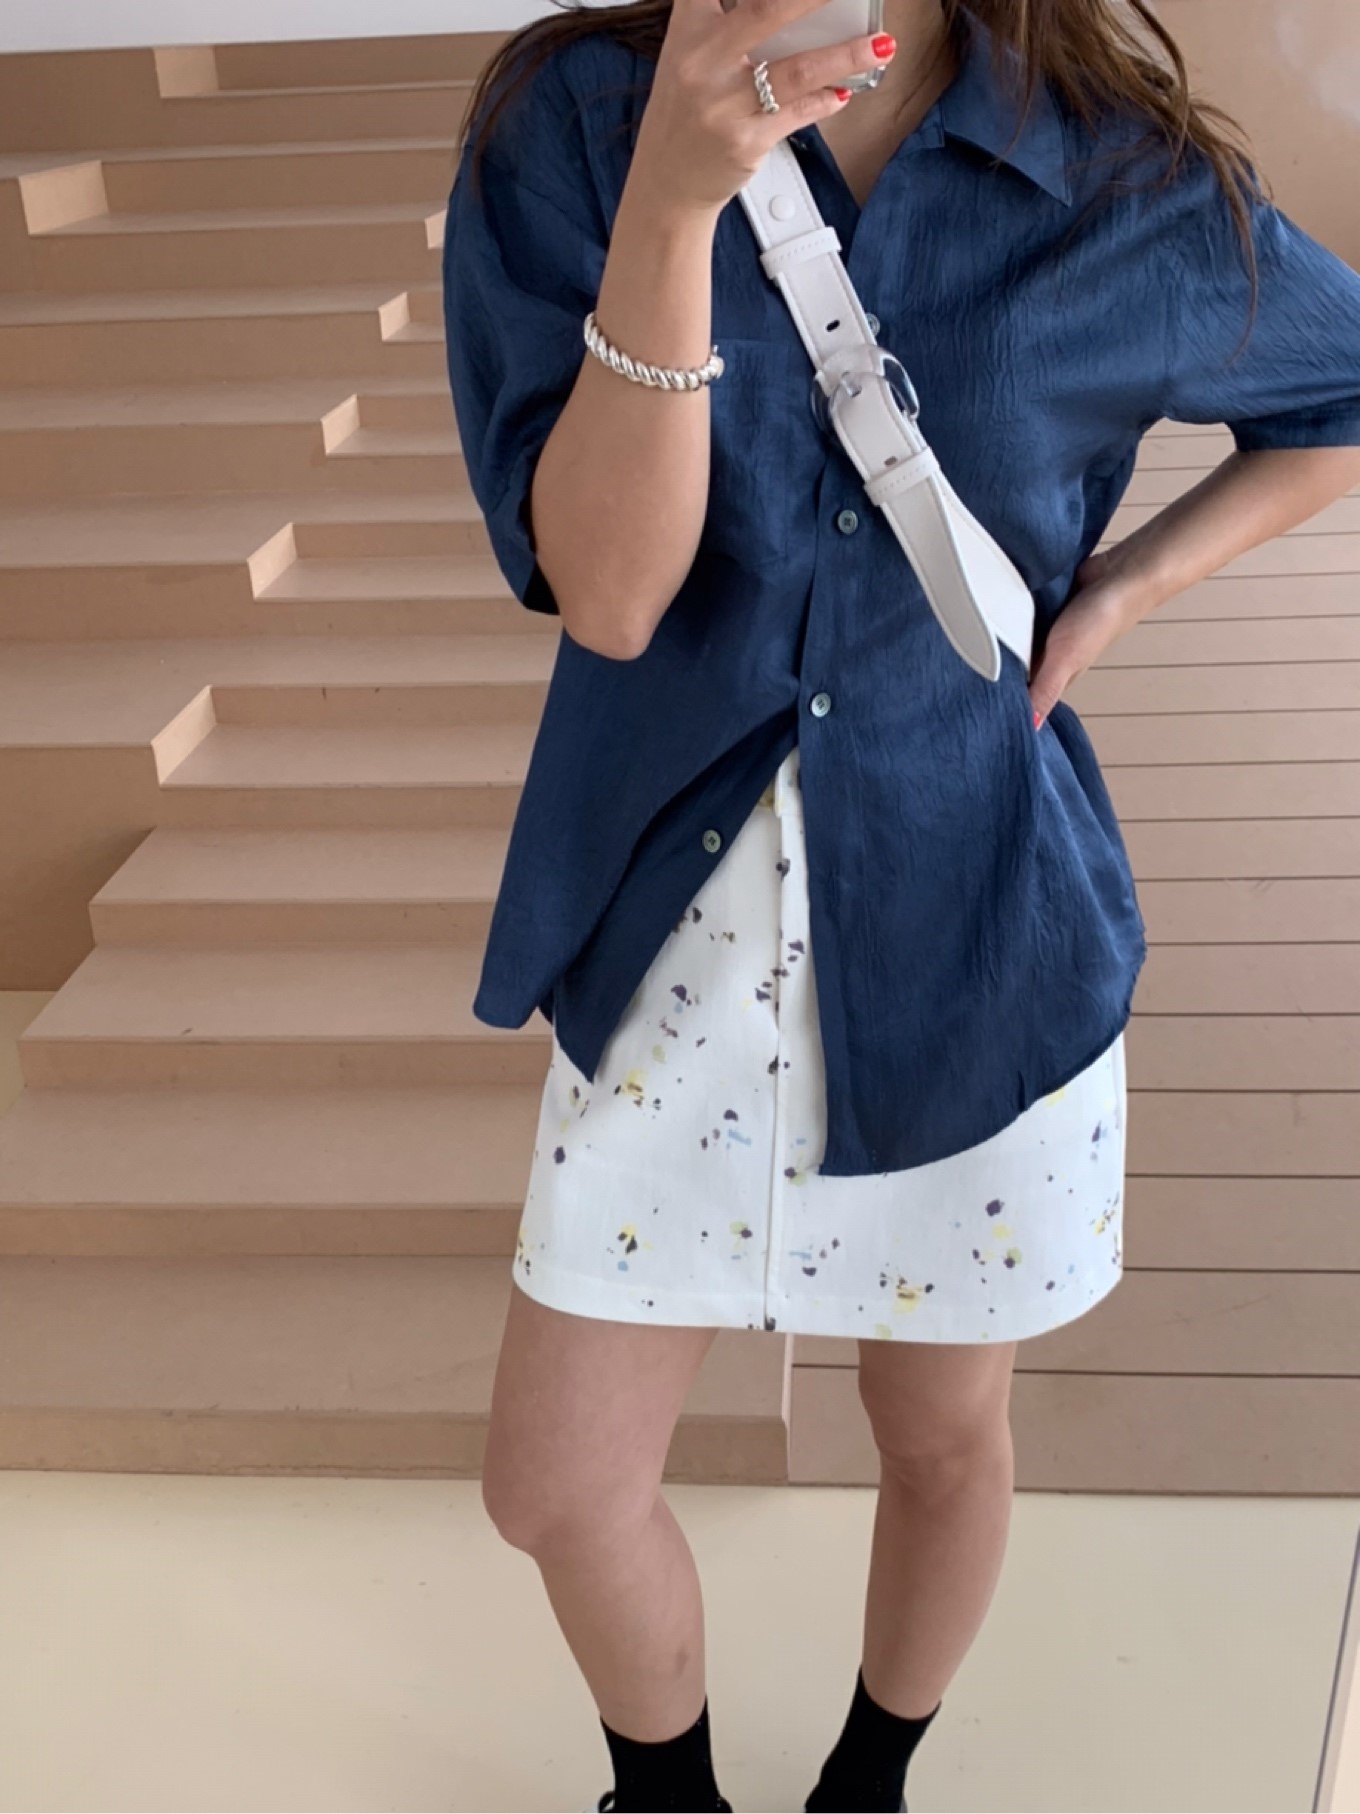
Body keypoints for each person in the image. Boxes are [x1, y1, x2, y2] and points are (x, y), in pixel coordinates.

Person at [440, 1, 1360, 1808]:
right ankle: (666, 1793)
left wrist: (1125, 588)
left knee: (941, 1433)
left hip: (974, 917)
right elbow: (612, 595)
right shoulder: (576, 124)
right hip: (680, 937)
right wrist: (674, 202)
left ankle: (870, 1782)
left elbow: (1338, 394)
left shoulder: (1116, 175)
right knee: (556, 1485)